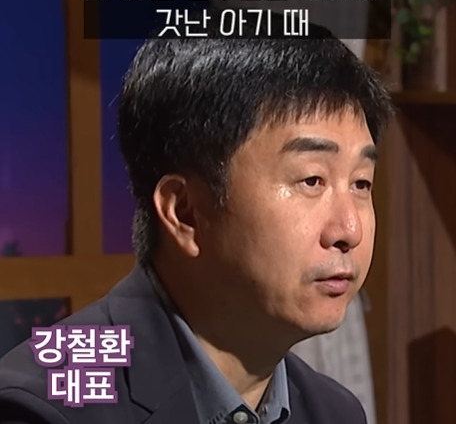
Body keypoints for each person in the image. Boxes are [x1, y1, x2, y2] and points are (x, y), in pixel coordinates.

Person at [0, 31, 394, 424]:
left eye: (361, 183)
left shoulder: (334, 411)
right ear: (184, 213)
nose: (350, 230)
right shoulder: (44, 409)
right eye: (311, 180)